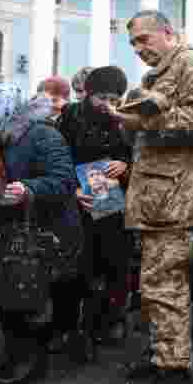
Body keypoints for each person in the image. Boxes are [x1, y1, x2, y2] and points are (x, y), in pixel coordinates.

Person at [108, 10, 193, 384]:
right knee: (157, 290)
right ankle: (164, 369)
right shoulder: (161, 73)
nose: (139, 49)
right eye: (133, 44)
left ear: (169, 33)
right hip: (158, 201)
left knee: (166, 291)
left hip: (176, 202)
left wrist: (144, 118)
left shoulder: (192, 63)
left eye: (144, 39)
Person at [0, 86, 79, 384]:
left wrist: (29, 189)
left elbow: (64, 180)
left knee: (32, 295)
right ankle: (13, 356)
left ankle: (30, 362)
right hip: (19, 227)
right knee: (13, 292)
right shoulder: (7, 135)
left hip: (45, 229)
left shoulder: (43, 135)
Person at [56, 66, 133, 351]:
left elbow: (134, 152)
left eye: (114, 99)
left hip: (109, 196)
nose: (107, 105)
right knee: (74, 264)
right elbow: (58, 157)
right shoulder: (71, 116)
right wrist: (73, 190)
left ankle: (107, 321)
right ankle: (66, 326)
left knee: (112, 260)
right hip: (75, 196)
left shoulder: (123, 119)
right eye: (101, 97)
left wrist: (125, 165)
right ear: (88, 94)